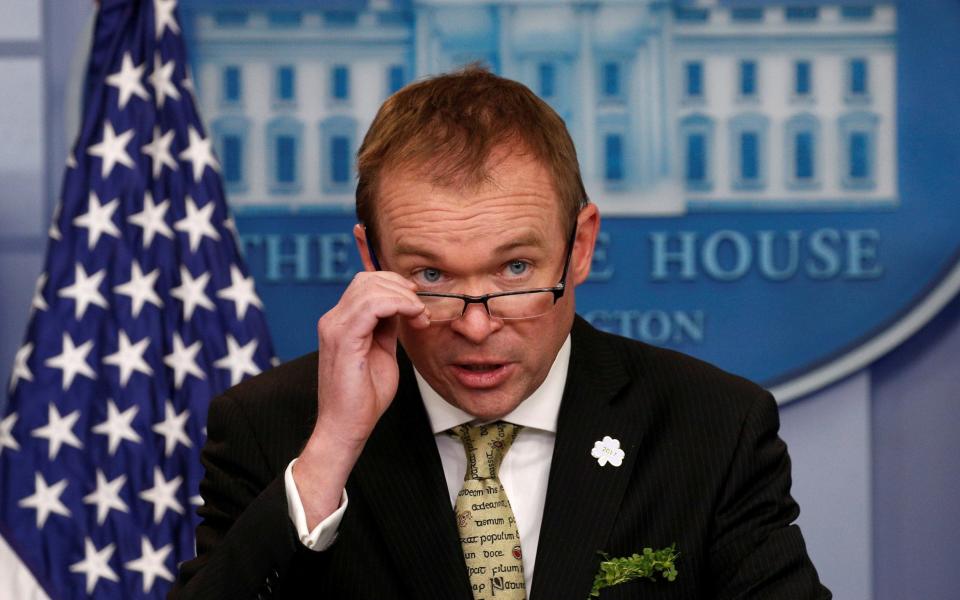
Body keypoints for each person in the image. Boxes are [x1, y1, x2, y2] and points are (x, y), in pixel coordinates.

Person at [171, 66, 830, 599]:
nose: (477, 325)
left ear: (579, 247)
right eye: (430, 274)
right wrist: (330, 454)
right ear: (373, 262)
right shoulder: (274, 429)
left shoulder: (711, 429)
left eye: (515, 268)